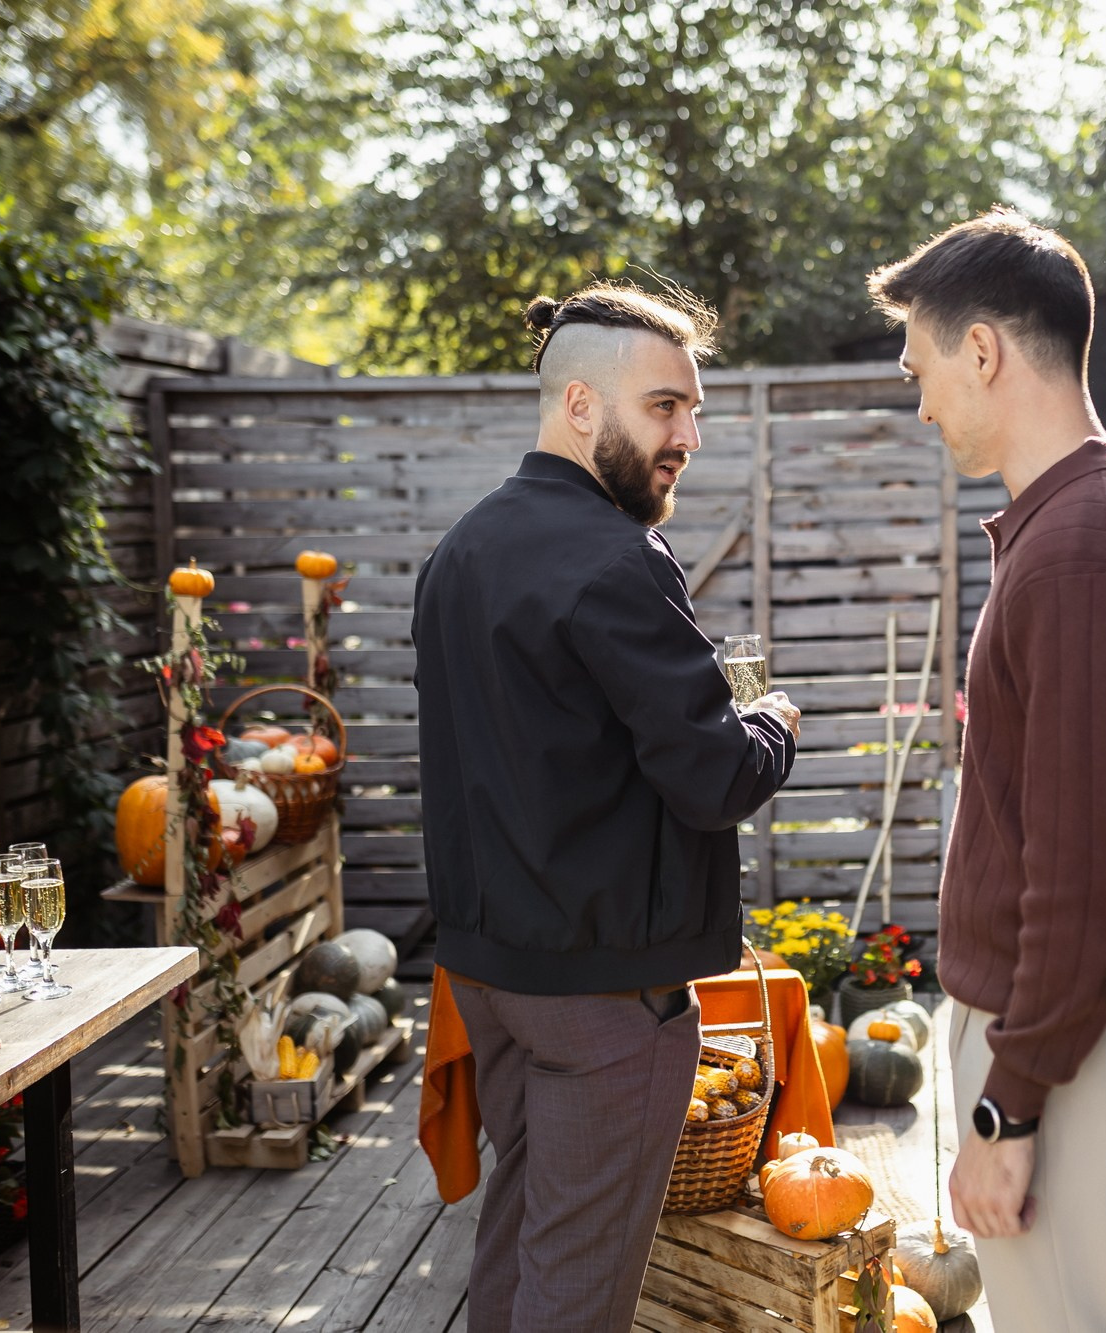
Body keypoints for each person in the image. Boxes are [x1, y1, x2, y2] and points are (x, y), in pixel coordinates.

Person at [867, 209, 1106, 1331]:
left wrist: (1007, 1107)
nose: (922, 403)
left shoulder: (1085, 548)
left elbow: (1085, 867)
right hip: (1086, 1030)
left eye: (921, 369)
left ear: (981, 351)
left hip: (1073, 1046)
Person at [411, 283, 801, 1332]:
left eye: (694, 411)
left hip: (490, 975)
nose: (688, 437)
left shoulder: (459, 552)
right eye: (665, 407)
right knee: (579, 1285)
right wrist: (774, 725)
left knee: (522, 1234)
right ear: (580, 404)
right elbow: (715, 777)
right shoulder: (618, 557)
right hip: (601, 996)